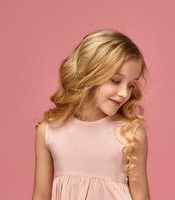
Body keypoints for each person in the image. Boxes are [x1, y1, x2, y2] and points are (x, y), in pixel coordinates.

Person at [32, 28, 150, 200]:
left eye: (131, 85)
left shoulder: (131, 134)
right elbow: (41, 196)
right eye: (116, 81)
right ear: (89, 73)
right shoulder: (49, 132)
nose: (124, 93)